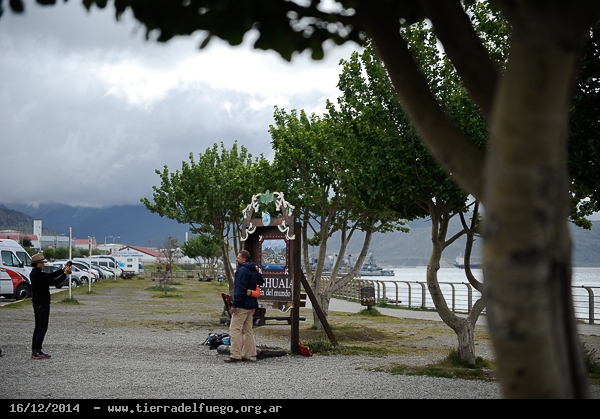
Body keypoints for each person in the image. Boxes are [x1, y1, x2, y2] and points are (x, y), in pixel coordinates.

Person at [29, 254, 71, 359]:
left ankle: (35, 350)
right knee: (42, 327)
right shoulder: (38, 274)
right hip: (42, 303)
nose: (43, 264)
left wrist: (62, 270)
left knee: (38, 327)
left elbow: (50, 276)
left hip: (38, 303)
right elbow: (54, 282)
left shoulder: (35, 273)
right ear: (37, 263)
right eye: (42, 262)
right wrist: (65, 274)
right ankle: (37, 351)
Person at [225, 250, 263, 363]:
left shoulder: (241, 271)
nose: (237, 259)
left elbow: (239, 289)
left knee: (234, 329)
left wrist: (235, 304)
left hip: (242, 305)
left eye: (238, 258)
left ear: (244, 259)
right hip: (251, 305)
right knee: (248, 330)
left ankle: (235, 354)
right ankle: (247, 354)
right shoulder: (253, 269)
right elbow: (261, 281)